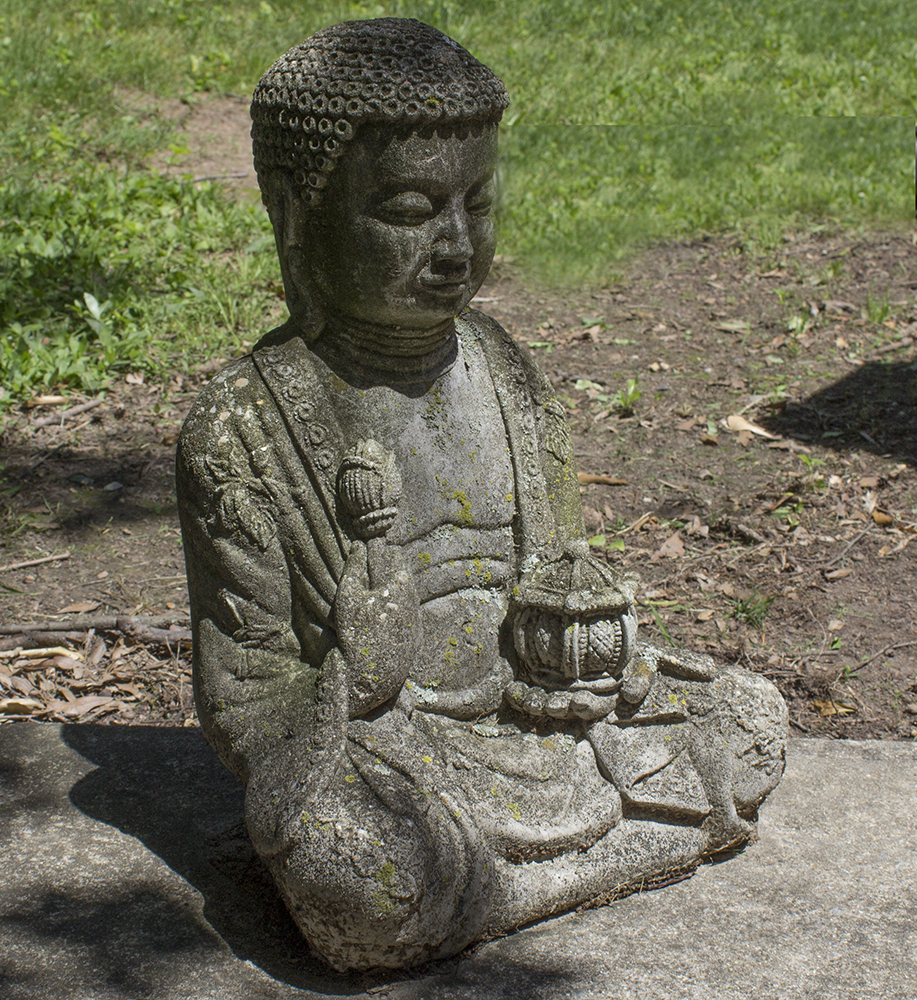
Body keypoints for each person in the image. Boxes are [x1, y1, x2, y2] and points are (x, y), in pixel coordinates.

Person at [176, 18, 786, 972]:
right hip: (396, 755)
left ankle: (490, 900)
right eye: (412, 208)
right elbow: (245, 705)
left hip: (544, 726)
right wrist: (357, 674)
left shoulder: (506, 370)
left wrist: (591, 643)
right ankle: (607, 856)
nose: (456, 245)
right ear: (298, 213)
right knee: (358, 871)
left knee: (746, 721)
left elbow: (555, 569)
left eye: (477, 201)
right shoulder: (241, 429)